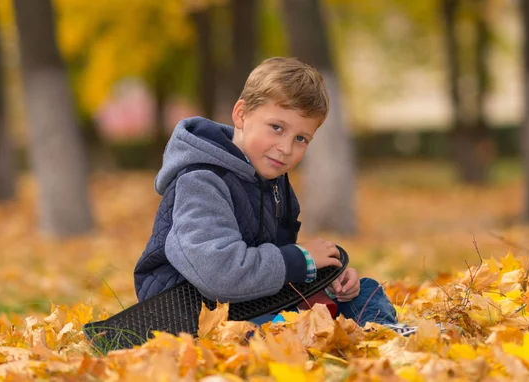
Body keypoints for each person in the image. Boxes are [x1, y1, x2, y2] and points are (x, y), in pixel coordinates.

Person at [133, 57, 414, 333]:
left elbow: (273, 267)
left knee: (362, 290)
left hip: (249, 300)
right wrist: (299, 259)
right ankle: (302, 337)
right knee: (269, 331)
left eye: (301, 139)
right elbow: (218, 274)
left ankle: (385, 336)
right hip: (189, 311)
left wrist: (323, 279)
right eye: (277, 128)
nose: (285, 148)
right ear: (241, 114)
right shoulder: (202, 180)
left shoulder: (272, 180)